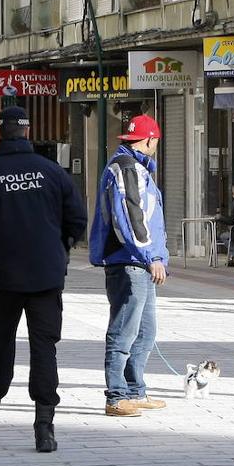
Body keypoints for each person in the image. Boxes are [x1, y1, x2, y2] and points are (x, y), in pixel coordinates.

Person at [0, 106, 88, 453]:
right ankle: (44, 429)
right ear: (27, 132)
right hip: (45, 278)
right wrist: (58, 249)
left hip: (2, 279)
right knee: (44, 350)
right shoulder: (52, 172)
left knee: (0, 349)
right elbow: (77, 219)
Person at [89, 114, 169, 418]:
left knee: (146, 331)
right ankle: (116, 395)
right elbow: (131, 216)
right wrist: (151, 256)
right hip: (130, 263)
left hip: (141, 264)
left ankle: (136, 391)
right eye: (156, 141)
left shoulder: (136, 168)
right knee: (124, 330)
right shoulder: (125, 169)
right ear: (149, 140)